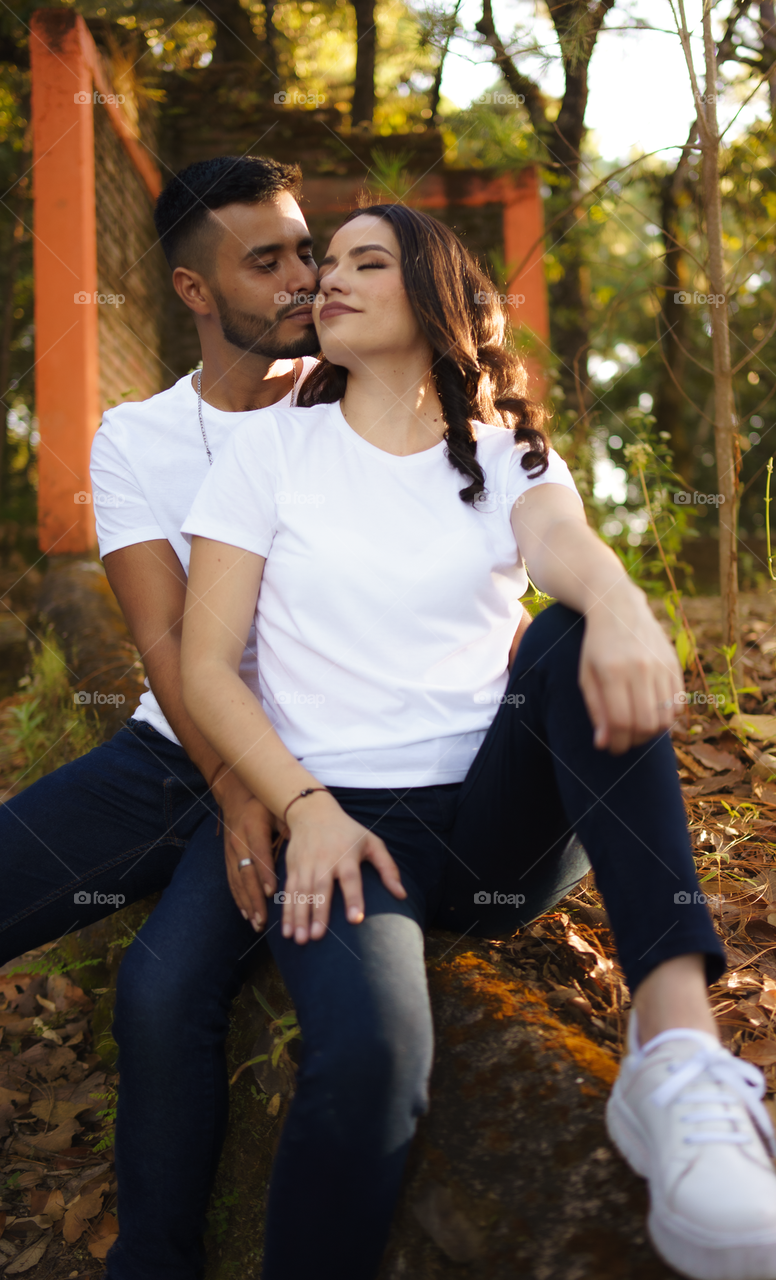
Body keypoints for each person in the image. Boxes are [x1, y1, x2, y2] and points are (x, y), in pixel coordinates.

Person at [180, 203, 776, 1280]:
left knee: (571, 629)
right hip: (346, 832)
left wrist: (618, 602)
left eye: (363, 261)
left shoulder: (503, 442)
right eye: (323, 262)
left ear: (431, 297)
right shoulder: (268, 448)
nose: (326, 276)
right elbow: (200, 667)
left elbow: (559, 541)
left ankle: (675, 1048)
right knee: (372, 1061)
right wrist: (302, 805)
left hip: (496, 818)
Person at [0, 155, 320, 1279]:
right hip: (172, 749)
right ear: (194, 291)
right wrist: (228, 792)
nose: (301, 277)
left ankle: (156, 1261)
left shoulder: (354, 402)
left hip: (311, 767)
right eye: (267, 258)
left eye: (305, 250)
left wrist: (263, 792)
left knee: (165, 986)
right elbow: (162, 635)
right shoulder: (138, 436)